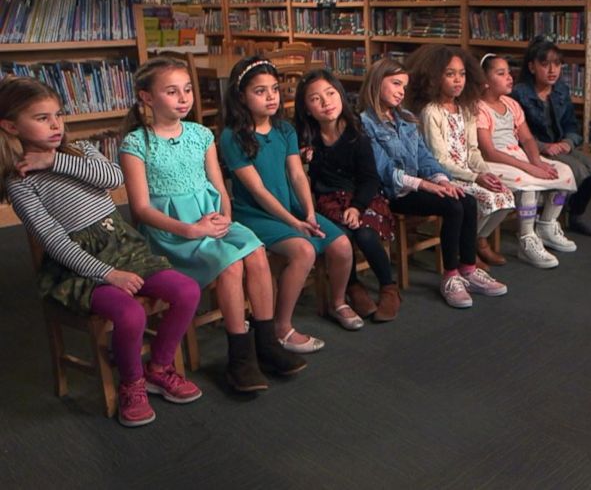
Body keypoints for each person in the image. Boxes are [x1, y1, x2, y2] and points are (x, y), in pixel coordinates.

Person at [0, 76, 202, 427]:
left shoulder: (81, 152)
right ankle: (131, 383)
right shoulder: (20, 182)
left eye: (58, 115)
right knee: (129, 315)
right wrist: (107, 274)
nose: (55, 125)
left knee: (187, 290)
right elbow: (54, 241)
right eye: (42, 118)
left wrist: (54, 162)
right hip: (79, 266)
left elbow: (113, 178)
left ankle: (158, 367)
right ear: (10, 126)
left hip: (122, 246)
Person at [119, 57, 306, 394]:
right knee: (231, 265)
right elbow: (141, 208)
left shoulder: (201, 134)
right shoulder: (137, 143)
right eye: (172, 92)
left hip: (212, 219)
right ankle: (239, 356)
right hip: (173, 233)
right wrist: (190, 230)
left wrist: (225, 217)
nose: (183, 98)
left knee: (256, 253)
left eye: (187, 90)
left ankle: (265, 342)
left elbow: (219, 186)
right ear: (147, 98)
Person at [219, 57, 357, 341]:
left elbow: (297, 175)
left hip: (293, 208)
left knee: (342, 244)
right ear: (241, 97)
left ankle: (339, 302)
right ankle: (281, 327)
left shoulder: (284, 130)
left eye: (274, 89)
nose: (271, 97)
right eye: (260, 91)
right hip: (255, 214)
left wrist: (308, 212)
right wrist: (293, 223)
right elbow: (257, 190)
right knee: (304, 251)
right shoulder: (232, 136)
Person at [359, 57, 507, 309]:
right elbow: (383, 171)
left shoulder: (404, 118)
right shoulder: (365, 122)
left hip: (416, 184)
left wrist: (440, 179)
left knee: (465, 199)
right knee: (452, 206)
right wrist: (426, 185)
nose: (400, 92)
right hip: (391, 192)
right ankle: (450, 277)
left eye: (403, 87)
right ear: (376, 83)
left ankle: (468, 270)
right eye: (395, 84)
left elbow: (425, 156)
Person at [295, 68, 402, 322]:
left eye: (330, 94)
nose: (326, 102)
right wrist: (302, 161)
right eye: (315, 99)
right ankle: (352, 285)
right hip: (327, 201)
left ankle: (389, 287)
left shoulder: (356, 133)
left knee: (364, 233)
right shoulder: (306, 137)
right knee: (340, 236)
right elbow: (305, 180)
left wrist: (357, 206)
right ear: (307, 108)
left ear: (341, 96)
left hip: (363, 197)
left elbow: (370, 178)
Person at [404, 45, 516, 269]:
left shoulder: (465, 108)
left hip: (470, 173)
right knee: (480, 199)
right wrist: (475, 178)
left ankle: (475, 240)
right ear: (435, 78)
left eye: (462, 74)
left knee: (506, 195)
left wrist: (485, 172)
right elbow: (439, 160)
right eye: (450, 74)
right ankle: (464, 248)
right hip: (446, 177)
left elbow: (473, 150)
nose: (458, 80)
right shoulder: (431, 112)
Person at [475, 53, 578, 268]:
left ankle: (547, 223)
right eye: (501, 73)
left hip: (519, 156)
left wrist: (538, 163)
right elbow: (489, 151)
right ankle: (527, 237)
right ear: (485, 80)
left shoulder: (511, 104)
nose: (509, 77)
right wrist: (530, 168)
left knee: (565, 173)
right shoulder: (479, 108)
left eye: (509, 73)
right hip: (497, 160)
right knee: (527, 183)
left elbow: (527, 138)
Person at [511, 36, 591, 238]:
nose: (553, 70)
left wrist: (568, 142)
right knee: (580, 172)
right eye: (545, 65)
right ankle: (556, 217)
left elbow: (572, 124)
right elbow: (516, 133)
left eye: (557, 64)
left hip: (560, 145)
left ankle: (576, 214)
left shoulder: (561, 90)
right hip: (535, 148)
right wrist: (544, 147)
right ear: (532, 67)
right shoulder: (519, 94)